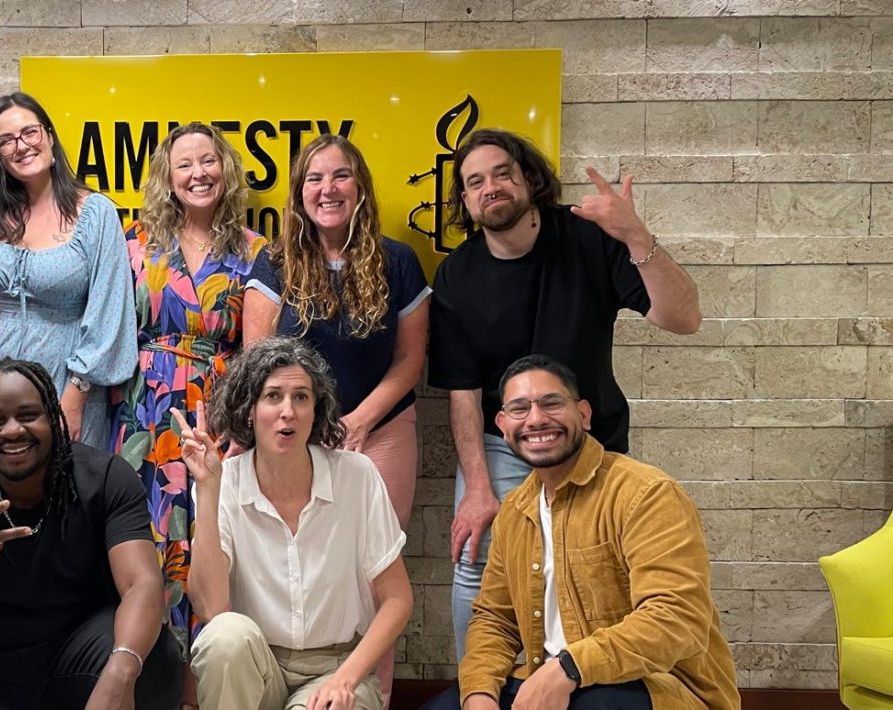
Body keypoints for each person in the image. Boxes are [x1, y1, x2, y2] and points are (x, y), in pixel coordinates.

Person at [429, 128, 703, 659]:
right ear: (465, 199)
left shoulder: (589, 238)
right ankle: (480, 688)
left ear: (529, 178)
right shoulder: (457, 274)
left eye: (502, 173)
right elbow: (463, 393)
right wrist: (477, 488)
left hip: (590, 439)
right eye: (475, 182)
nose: (491, 187)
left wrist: (636, 235)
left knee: (596, 567)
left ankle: (587, 679)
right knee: (475, 561)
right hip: (503, 443)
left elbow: (684, 318)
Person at [420, 355, 738, 710]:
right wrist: (479, 693)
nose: (536, 419)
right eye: (520, 409)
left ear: (584, 415)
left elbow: (677, 617)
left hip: (657, 687)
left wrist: (569, 667)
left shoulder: (646, 494)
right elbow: (495, 619)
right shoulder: (514, 512)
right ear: (503, 425)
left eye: (552, 403)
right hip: (554, 681)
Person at [243, 134, 429, 701]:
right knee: (304, 569)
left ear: (361, 187)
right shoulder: (275, 261)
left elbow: (411, 360)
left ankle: (368, 695)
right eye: (314, 178)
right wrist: (311, 427)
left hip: (382, 431)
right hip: (295, 434)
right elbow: (258, 359)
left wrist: (362, 419)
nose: (328, 189)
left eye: (340, 175)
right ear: (299, 193)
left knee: (377, 580)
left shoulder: (398, 261)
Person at [0, 358, 184, 710]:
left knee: (149, 655)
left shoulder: (105, 478)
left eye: (27, 415)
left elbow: (141, 584)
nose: (12, 431)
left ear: (53, 416)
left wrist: (121, 671)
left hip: (83, 653)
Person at [179, 337, 413, 710]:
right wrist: (208, 489)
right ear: (249, 410)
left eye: (301, 397)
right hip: (257, 664)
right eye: (273, 396)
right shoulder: (225, 482)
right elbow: (210, 608)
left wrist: (345, 680)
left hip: (335, 666)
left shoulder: (357, 475)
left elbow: (398, 600)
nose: (288, 411)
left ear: (316, 410)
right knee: (224, 637)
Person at [109, 122, 269, 651]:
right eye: (185, 164)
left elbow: (258, 351)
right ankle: (147, 663)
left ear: (226, 170)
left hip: (218, 409)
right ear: (167, 176)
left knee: (211, 531)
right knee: (146, 533)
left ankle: (208, 669)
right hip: (144, 409)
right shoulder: (134, 242)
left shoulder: (254, 250)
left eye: (208, 161)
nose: (198, 173)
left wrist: (242, 423)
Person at [0, 92, 137, 450]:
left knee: (66, 478)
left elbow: (110, 310)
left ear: (49, 136)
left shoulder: (95, 212)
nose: (21, 146)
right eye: (6, 140)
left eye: (29, 132)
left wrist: (76, 393)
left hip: (64, 383)